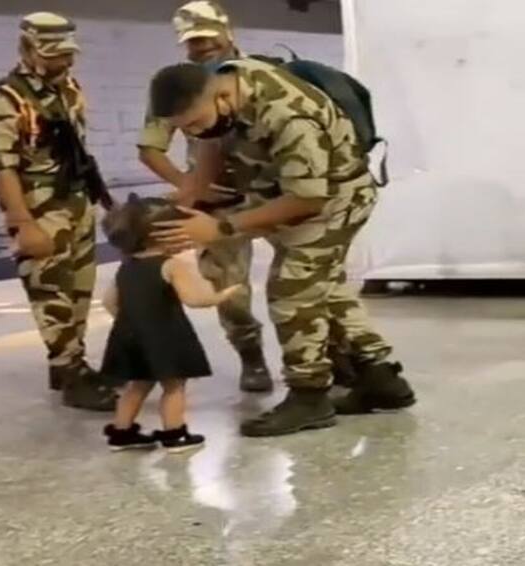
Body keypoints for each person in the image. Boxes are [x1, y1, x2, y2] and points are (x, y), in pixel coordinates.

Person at [148, 62, 417, 437]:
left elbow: (309, 200)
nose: (192, 132)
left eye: (194, 122)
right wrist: (194, 191)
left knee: (292, 290)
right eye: (184, 128)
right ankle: (381, 379)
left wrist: (222, 227)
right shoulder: (223, 90)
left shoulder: (289, 115)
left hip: (335, 200)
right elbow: (212, 140)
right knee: (326, 288)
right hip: (283, 193)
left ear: (223, 97)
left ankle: (310, 397)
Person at [0, 12, 115, 411]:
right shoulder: (2, 98)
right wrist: (22, 223)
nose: (64, 62)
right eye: (53, 55)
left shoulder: (69, 89)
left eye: (68, 54)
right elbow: (1, 165)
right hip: (38, 208)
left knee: (79, 291)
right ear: (27, 49)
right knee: (50, 291)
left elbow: (75, 148)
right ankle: (71, 373)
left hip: (75, 201)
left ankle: (69, 362)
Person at [137, 1, 275, 393]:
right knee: (229, 291)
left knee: (303, 280)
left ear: (227, 31)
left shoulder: (260, 74)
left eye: (206, 37)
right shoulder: (179, 87)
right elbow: (150, 148)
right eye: (192, 42)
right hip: (219, 203)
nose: (201, 47)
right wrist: (190, 184)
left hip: (272, 193)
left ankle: (332, 355)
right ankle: (252, 357)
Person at [100, 194, 241, 453]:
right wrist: (220, 294)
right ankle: (174, 433)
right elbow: (195, 299)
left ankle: (121, 433)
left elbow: (109, 302)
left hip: (131, 335)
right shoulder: (171, 265)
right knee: (174, 386)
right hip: (164, 335)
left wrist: (132, 319)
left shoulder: (126, 267)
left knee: (137, 384)